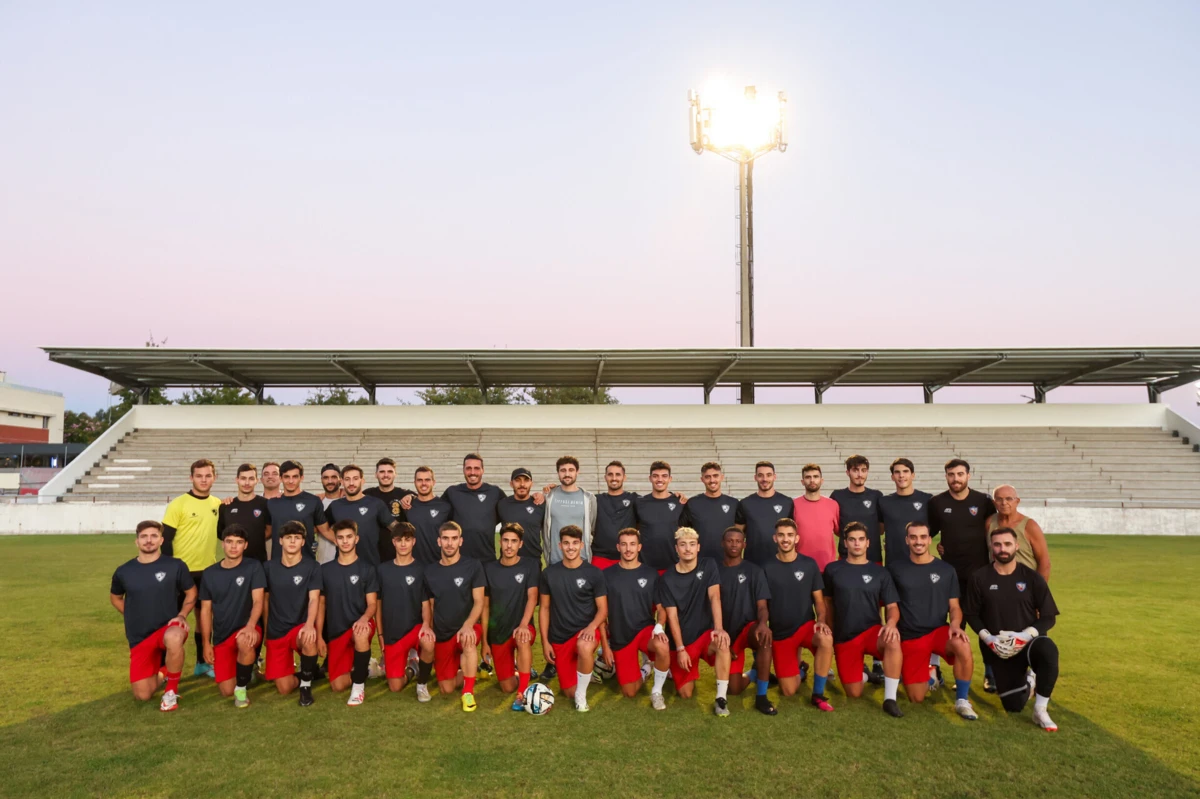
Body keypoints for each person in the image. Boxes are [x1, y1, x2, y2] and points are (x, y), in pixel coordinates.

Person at [964, 526, 1061, 731]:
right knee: (1014, 706)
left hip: (1028, 642)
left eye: (1007, 544)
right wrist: (987, 638)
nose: (1003, 549)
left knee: (1049, 650)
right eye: (997, 544)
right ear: (991, 547)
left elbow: (1048, 616)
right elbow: (971, 613)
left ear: (1016, 546)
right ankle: (1029, 680)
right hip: (999, 647)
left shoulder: (1031, 577)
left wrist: (1026, 635)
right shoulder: (979, 577)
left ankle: (1040, 710)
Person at [887, 521, 979, 719]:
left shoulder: (946, 570)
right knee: (916, 697)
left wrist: (955, 625)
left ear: (929, 540)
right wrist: (891, 624)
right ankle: (929, 675)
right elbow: (891, 604)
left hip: (938, 632)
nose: (918, 541)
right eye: (913, 537)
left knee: (961, 643)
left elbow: (954, 606)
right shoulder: (895, 569)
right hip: (911, 637)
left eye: (922, 537)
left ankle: (962, 700)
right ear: (907, 540)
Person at [110, 520, 196, 711]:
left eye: (154, 536)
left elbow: (191, 592)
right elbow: (115, 598)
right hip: (140, 637)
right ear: (137, 541)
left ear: (161, 540)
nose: (149, 541)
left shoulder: (175, 565)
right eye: (144, 537)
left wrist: (182, 615)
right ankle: (164, 671)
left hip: (168, 628)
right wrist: (133, 614)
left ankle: (171, 692)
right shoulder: (124, 571)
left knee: (173, 637)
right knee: (142, 695)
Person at [928, 458, 999, 691]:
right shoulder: (937, 503)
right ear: (946, 476)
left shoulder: (984, 502)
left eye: (960, 474)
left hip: (980, 576)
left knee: (985, 623)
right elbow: (928, 533)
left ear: (969, 475)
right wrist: (937, 549)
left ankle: (990, 674)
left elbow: (994, 531)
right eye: (951, 474)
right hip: (950, 575)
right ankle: (934, 669)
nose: (955, 479)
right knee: (941, 621)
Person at [821, 522, 903, 717]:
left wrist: (891, 623)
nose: (856, 544)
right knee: (854, 693)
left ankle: (889, 699)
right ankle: (867, 675)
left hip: (872, 632)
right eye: (852, 540)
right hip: (845, 636)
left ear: (868, 543)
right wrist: (829, 630)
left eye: (860, 540)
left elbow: (892, 606)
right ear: (845, 544)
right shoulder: (832, 570)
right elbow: (827, 603)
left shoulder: (880, 572)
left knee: (893, 639)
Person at [404, 453, 541, 564]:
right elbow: (432, 503)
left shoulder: (494, 492)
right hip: (459, 560)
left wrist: (537, 496)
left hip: (487, 560)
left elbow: (512, 506)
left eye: (476, 468)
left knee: (486, 598)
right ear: (464, 470)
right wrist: (411, 496)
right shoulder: (452, 492)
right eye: (468, 468)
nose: (472, 472)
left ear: (482, 470)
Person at [657, 527, 732, 716]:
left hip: (705, 635)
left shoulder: (708, 565)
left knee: (722, 643)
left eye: (692, 544)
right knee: (685, 693)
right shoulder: (667, 578)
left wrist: (719, 629)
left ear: (698, 547)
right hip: (684, 640)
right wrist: (681, 649)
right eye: (683, 545)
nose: (688, 549)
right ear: (676, 548)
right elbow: (672, 617)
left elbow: (714, 597)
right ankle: (674, 669)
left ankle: (721, 699)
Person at [761, 518, 835, 712]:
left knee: (826, 639)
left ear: (797, 538)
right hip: (781, 633)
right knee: (788, 690)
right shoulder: (766, 567)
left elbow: (819, 601)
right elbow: (762, 603)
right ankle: (801, 670)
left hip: (806, 627)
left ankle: (818, 695)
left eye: (790, 535)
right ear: (775, 538)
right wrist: (764, 624)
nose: (786, 539)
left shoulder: (809, 565)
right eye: (781, 535)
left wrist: (821, 621)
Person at [161, 458, 223, 677]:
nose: (204, 480)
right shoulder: (178, 504)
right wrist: (171, 570)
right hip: (181, 573)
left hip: (207, 572)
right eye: (199, 476)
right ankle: (162, 668)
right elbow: (165, 539)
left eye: (208, 476)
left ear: (214, 478)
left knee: (205, 619)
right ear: (191, 478)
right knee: (172, 620)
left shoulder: (217, 504)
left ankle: (202, 663)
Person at [598, 528, 671, 709]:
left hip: (644, 631)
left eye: (632, 544)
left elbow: (662, 609)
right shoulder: (606, 575)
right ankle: (646, 668)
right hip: (620, 637)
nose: (628, 549)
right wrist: (605, 647)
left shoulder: (651, 574)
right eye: (624, 544)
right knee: (629, 692)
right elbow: (600, 614)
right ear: (618, 547)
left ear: (639, 547)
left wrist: (659, 626)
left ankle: (657, 692)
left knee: (662, 645)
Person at [539, 525, 608, 712]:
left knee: (584, 646)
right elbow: (544, 609)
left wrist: (591, 627)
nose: (571, 547)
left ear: (582, 545)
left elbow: (603, 610)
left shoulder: (594, 573)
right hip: (560, 637)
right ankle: (585, 673)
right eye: (567, 543)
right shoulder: (549, 573)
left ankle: (581, 697)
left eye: (575, 543)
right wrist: (545, 642)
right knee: (568, 691)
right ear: (560, 545)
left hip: (584, 632)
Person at [419, 521, 486, 711]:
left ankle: (468, 693)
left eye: (454, 539)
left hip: (468, 627)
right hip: (443, 633)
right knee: (446, 688)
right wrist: (427, 625)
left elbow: (479, 601)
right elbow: (429, 605)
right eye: (446, 539)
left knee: (468, 640)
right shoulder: (430, 571)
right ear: (439, 541)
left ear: (461, 541)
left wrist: (468, 625)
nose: (450, 543)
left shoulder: (473, 566)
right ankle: (469, 670)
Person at [198, 523, 265, 707]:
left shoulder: (253, 566)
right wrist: (206, 643)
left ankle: (241, 689)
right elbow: (205, 610)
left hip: (248, 627)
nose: (234, 546)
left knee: (244, 640)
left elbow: (258, 600)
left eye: (239, 542)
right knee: (226, 690)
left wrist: (251, 625)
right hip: (222, 636)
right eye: (229, 542)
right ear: (222, 544)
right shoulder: (210, 573)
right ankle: (246, 670)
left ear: (245, 545)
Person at [317, 520, 379, 705]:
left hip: (360, 623)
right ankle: (366, 667)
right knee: (337, 686)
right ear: (335, 541)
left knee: (360, 634)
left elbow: (372, 604)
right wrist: (320, 636)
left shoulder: (367, 569)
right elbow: (321, 605)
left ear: (356, 539)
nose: (345, 541)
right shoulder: (325, 570)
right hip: (337, 631)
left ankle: (358, 687)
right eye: (341, 538)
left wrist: (364, 619)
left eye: (349, 537)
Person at [262, 521, 323, 706]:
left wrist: (309, 625)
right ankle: (311, 671)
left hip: (299, 628)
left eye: (297, 538)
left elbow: (314, 599)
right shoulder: (268, 568)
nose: (292, 542)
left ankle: (305, 685)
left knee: (309, 638)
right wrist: (266, 632)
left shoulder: (312, 567)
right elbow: (264, 602)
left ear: (303, 542)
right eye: (288, 538)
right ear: (280, 540)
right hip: (277, 630)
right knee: (284, 688)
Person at [718, 526, 776, 715]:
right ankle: (754, 673)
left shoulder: (754, 571)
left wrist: (762, 624)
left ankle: (761, 697)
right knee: (733, 689)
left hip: (748, 630)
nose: (734, 544)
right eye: (730, 540)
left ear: (744, 544)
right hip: (726, 635)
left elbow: (762, 606)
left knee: (764, 638)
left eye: (738, 541)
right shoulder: (714, 570)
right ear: (722, 543)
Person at [482, 523, 540, 710]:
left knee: (522, 639)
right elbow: (484, 606)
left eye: (514, 541)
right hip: (498, 633)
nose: (509, 545)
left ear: (520, 544)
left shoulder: (530, 565)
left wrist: (524, 624)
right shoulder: (489, 568)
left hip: (522, 628)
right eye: (505, 540)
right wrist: (485, 641)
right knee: (506, 687)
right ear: (500, 542)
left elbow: (532, 597)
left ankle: (522, 692)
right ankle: (521, 672)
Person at [374, 522, 429, 696]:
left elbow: (426, 604)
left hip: (415, 629)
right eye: (399, 540)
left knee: (429, 642)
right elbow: (378, 605)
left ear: (414, 542)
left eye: (407, 539)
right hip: (393, 634)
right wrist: (381, 635)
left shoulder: (422, 569)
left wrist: (427, 625)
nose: (403, 544)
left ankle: (423, 683)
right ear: (393, 542)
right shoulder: (382, 570)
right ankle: (413, 668)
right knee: (395, 686)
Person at [325, 465, 395, 565]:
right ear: (342, 482)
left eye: (355, 479)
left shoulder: (376, 504)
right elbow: (320, 526)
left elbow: (395, 527)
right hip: (342, 566)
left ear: (362, 481)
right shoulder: (335, 506)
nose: (351, 483)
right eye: (347, 479)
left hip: (370, 566)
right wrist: (336, 539)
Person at [266, 460, 333, 562]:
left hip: (306, 562)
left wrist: (349, 546)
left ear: (301, 478)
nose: (291, 481)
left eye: (295, 476)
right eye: (287, 477)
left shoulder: (313, 501)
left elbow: (325, 530)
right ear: (280, 478)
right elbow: (267, 532)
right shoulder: (272, 503)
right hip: (278, 563)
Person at [635, 461, 693, 573]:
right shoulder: (639, 502)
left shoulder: (679, 502)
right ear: (650, 478)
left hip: (673, 565)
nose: (660, 480)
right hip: (645, 565)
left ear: (670, 478)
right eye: (655, 476)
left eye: (664, 476)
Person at [541, 456, 597, 565]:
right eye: (563, 470)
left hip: (582, 561)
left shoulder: (589, 498)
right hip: (555, 561)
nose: (567, 474)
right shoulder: (548, 496)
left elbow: (592, 527)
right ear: (558, 473)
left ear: (577, 472)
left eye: (571, 470)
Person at [987, 485, 1052, 580]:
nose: (1004, 503)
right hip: (997, 584)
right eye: (999, 499)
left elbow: (1044, 563)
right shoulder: (989, 523)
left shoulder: (1030, 526)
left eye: (1009, 499)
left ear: (1017, 501)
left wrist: (1039, 590)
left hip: (1024, 584)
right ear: (994, 502)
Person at [736, 461, 793, 567]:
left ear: (774, 477)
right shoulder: (745, 503)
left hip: (781, 562)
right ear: (755, 477)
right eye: (760, 475)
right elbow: (738, 534)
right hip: (753, 563)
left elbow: (792, 533)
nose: (765, 479)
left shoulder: (787, 502)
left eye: (769, 475)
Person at [830, 455, 885, 564]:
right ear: (848, 472)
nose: (860, 474)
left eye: (863, 470)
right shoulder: (837, 496)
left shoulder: (876, 496)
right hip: (846, 558)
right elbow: (836, 529)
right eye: (855, 470)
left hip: (873, 558)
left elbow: (881, 529)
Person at [879, 458, 932, 567]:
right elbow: (880, 529)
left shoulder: (927, 499)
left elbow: (935, 528)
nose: (901, 475)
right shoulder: (884, 502)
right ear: (892, 477)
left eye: (905, 471)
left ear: (913, 475)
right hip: (893, 563)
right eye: (897, 472)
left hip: (920, 562)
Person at [217, 463, 272, 564]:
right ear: (236, 480)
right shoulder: (226, 506)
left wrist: (255, 538)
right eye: (243, 478)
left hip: (258, 563)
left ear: (257, 481)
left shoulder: (265, 504)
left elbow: (269, 530)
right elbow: (222, 533)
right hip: (232, 564)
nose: (247, 482)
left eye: (251, 478)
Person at [686, 462, 741, 561]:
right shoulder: (692, 503)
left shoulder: (734, 503)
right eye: (707, 477)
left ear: (722, 477)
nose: (712, 480)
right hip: (700, 561)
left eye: (715, 476)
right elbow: (684, 533)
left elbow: (739, 532)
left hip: (727, 562)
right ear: (702, 479)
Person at [791, 463, 839, 574]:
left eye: (816, 477)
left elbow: (839, 532)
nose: (812, 480)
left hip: (827, 566)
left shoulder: (833, 505)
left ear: (822, 480)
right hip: (800, 565)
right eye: (808, 477)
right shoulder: (793, 505)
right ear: (802, 481)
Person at [592, 460, 639, 570]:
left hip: (625, 557)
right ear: (605, 477)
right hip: (600, 557)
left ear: (624, 477)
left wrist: (673, 495)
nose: (614, 478)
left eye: (618, 474)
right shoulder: (595, 499)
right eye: (610, 474)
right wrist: (555, 489)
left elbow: (655, 499)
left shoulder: (634, 499)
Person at [406, 466, 453, 564]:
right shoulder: (407, 506)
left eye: (427, 480)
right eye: (419, 480)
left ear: (433, 482)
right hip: (413, 565)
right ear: (414, 483)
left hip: (438, 564)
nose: (423, 483)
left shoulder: (445, 506)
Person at [497, 468, 546, 562]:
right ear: (511, 484)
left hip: (533, 562)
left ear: (531, 483)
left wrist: (551, 488)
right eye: (517, 480)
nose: (522, 484)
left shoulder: (540, 504)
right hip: (507, 562)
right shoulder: (502, 504)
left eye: (526, 480)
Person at [316, 463, 344, 564]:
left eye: (334, 477)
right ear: (321, 480)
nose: (330, 481)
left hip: (345, 560)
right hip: (322, 561)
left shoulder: (349, 502)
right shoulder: (316, 502)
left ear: (340, 479)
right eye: (326, 478)